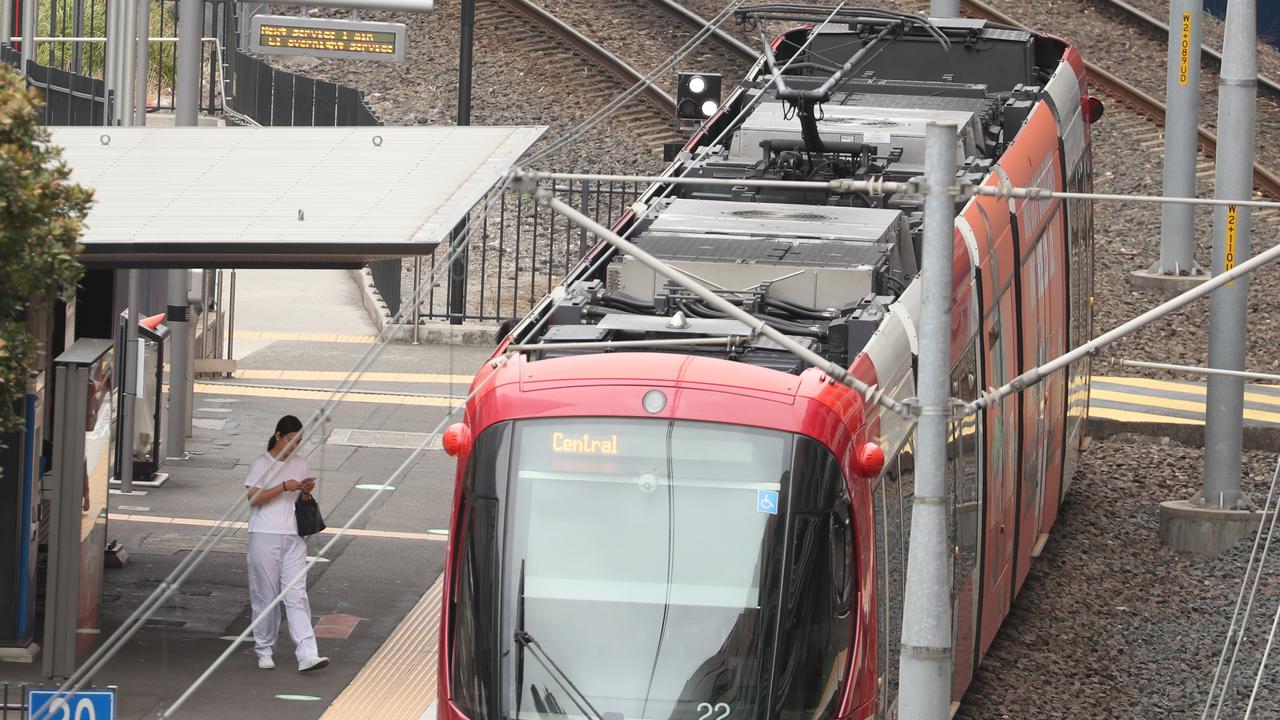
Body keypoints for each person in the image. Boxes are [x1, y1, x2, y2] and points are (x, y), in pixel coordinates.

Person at [244, 414, 329, 672]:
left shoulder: (301, 463)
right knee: (265, 595)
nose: (294, 446)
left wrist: (303, 491)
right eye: (291, 440)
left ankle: (307, 653)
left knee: (296, 595)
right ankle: (264, 648)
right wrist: (283, 486)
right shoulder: (261, 463)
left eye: (299, 441)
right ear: (278, 436)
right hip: (264, 534)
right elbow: (253, 498)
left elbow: (300, 502)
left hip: (293, 536)